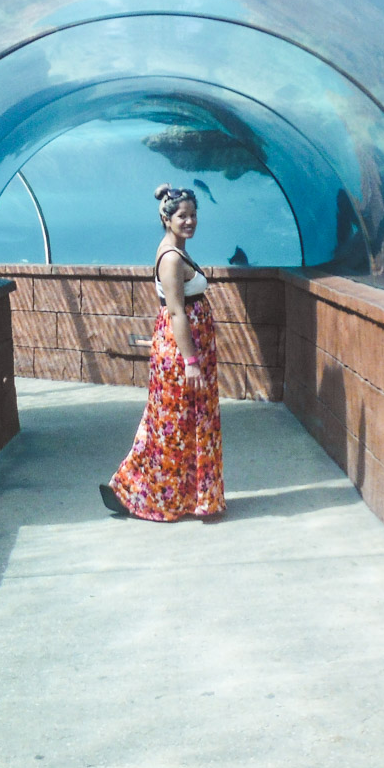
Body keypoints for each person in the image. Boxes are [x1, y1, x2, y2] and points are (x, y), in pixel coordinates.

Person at [100, 184, 225, 520]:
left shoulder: (177, 251)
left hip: (188, 350)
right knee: (173, 425)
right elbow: (177, 313)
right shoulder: (170, 259)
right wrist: (192, 363)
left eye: (193, 215)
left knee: (172, 423)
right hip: (181, 354)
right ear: (166, 218)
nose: (189, 221)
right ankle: (155, 497)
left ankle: (133, 487)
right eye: (182, 216)